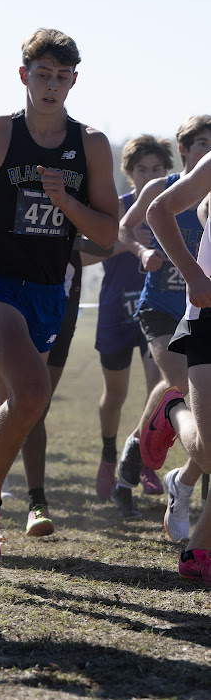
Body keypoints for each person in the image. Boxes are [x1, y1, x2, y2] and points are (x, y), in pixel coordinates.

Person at [0, 28, 118, 579]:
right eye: (43, 74)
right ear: (24, 76)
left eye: (62, 77)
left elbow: (106, 233)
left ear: (74, 82)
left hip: (46, 292)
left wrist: (65, 202)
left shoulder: (92, 145)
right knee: (33, 391)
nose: (52, 85)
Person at [113, 117, 211, 522]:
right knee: (175, 383)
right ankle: (136, 453)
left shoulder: (207, 195)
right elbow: (125, 227)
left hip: (198, 303)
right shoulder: (162, 187)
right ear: (185, 148)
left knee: (197, 398)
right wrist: (140, 252)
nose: (208, 150)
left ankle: (156, 456)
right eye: (202, 143)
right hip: (161, 307)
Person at [140, 151, 211, 584]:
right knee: (207, 450)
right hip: (208, 311)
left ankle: (198, 550)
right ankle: (174, 410)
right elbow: (158, 209)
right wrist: (193, 275)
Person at [94, 135, 173, 501]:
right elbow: (86, 249)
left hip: (156, 311)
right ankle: (109, 455)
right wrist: (126, 243)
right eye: (142, 169)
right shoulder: (121, 208)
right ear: (129, 173)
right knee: (115, 394)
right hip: (115, 308)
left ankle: (141, 460)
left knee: (160, 384)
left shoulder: (175, 204)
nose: (149, 175)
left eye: (157, 169)